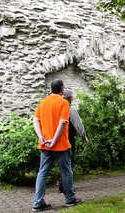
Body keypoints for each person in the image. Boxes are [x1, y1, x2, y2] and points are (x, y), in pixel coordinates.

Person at [32, 79, 81, 212]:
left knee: (42, 173)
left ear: (51, 89)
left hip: (45, 144)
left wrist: (41, 137)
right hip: (61, 145)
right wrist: (54, 140)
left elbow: (35, 120)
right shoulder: (63, 102)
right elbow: (63, 122)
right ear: (62, 90)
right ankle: (70, 199)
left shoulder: (43, 102)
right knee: (66, 171)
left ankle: (37, 203)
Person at [57, 89, 89, 193]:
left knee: (62, 163)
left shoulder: (57, 108)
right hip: (68, 139)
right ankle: (66, 187)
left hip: (55, 139)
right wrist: (84, 136)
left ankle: (62, 185)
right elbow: (78, 125)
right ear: (70, 98)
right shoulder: (69, 109)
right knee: (68, 163)